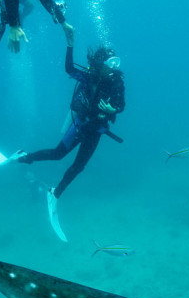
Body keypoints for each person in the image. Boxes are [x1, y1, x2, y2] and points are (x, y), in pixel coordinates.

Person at [17, 21, 125, 235]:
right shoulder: (89, 76)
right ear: (100, 63)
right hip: (81, 124)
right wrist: (70, 43)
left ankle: (55, 194)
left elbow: (122, 105)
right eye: (110, 63)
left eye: (116, 62)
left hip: (97, 129)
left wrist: (113, 109)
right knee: (57, 154)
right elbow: (68, 68)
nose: (113, 67)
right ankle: (25, 156)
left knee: (79, 166)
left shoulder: (117, 82)